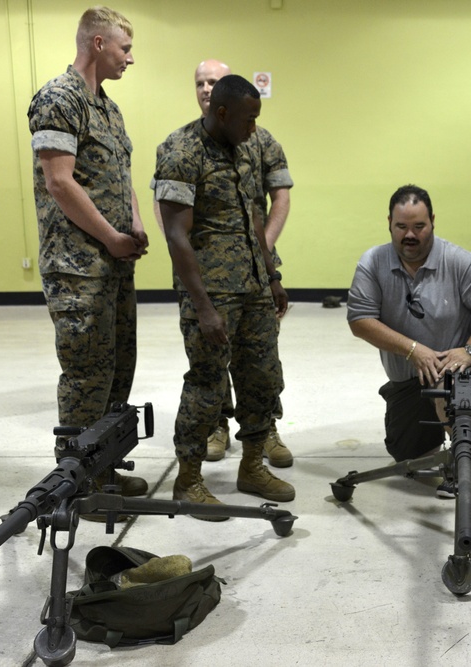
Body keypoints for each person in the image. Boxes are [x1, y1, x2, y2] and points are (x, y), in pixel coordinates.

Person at [155, 74, 293, 519]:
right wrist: (203, 307)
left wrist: (271, 275)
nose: (254, 128)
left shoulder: (248, 147)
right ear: (221, 113)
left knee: (262, 376)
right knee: (207, 384)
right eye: (249, 119)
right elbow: (176, 235)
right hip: (211, 291)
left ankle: (252, 466)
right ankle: (188, 480)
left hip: (252, 286)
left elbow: (255, 211)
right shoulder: (181, 151)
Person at [27, 6, 149, 498]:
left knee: (119, 366)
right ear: (98, 44)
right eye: (125, 48)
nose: (130, 59)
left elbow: (119, 175)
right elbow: (59, 181)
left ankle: (104, 468)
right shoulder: (59, 98)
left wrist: (135, 224)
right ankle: (76, 484)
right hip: (78, 266)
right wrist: (110, 237)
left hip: (113, 262)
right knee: (85, 375)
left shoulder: (108, 107)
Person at [347, 185, 471, 497]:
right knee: (407, 456)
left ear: (433, 222)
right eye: (402, 227)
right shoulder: (373, 262)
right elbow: (359, 320)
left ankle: (465, 461)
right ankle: (437, 435)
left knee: (450, 385)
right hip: (408, 378)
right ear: (389, 223)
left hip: (462, 363)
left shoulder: (459, 261)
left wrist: (469, 350)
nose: (410, 235)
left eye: (419, 226)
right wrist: (412, 350)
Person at [188, 59, 294, 467]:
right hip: (208, 273)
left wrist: (260, 251)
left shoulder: (261, 139)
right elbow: (172, 214)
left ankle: (265, 427)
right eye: (199, 82)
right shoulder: (184, 146)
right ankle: (217, 424)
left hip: (257, 268)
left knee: (260, 357)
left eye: (213, 81)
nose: (205, 88)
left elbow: (279, 197)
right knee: (210, 356)